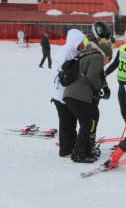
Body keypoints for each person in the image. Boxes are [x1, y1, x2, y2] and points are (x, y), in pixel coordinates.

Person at [63, 42, 113, 163]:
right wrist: (100, 88)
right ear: (104, 54)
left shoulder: (88, 56)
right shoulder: (97, 57)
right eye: (109, 58)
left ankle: (85, 152)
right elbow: (92, 77)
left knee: (86, 123)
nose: (109, 61)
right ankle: (78, 155)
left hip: (72, 94)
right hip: (78, 96)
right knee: (86, 124)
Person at [51, 29, 86, 158]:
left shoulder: (74, 52)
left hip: (69, 94)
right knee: (66, 123)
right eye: (80, 42)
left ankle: (72, 145)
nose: (82, 44)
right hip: (60, 95)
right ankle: (65, 150)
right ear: (74, 41)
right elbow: (60, 75)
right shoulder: (65, 53)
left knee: (72, 121)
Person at [87, 21, 113, 159]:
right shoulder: (91, 47)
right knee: (91, 116)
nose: (106, 41)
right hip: (87, 89)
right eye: (104, 38)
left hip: (93, 88)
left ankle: (89, 141)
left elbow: (100, 71)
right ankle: (88, 143)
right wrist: (98, 88)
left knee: (94, 115)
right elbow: (92, 72)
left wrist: (105, 86)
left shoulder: (100, 46)